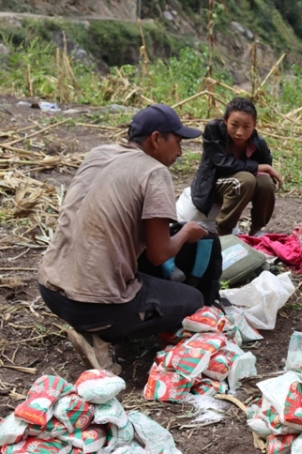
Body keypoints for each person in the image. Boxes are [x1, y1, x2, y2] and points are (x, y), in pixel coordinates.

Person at [38, 104, 219, 376]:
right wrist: (186, 233)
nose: (180, 152)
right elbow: (160, 254)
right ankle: (101, 337)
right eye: (178, 142)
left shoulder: (99, 153)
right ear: (156, 139)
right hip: (93, 307)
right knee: (192, 299)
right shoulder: (154, 172)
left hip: (50, 290)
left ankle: (96, 324)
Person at [190, 97, 283, 236]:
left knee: (265, 182)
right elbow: (223, 163)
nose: (240, 132)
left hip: (239, 184)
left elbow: (264, 169)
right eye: (234, 125)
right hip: (214, 184)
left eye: (246, 126)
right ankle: (224, 232)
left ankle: (256, 230)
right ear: (225, 121)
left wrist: (265, 170)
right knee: (246, 179)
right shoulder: (214, 130)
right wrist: (260, 168)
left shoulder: (257, 141)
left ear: (254, 125)